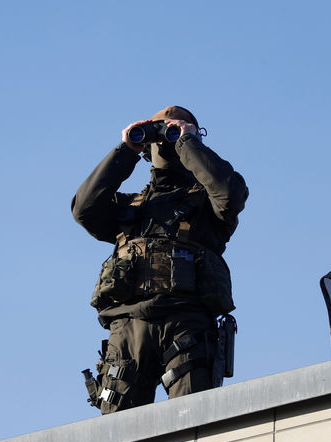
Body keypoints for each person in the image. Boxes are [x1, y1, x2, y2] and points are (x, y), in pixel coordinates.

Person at [72, 106, 248, 414]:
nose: (167, 138)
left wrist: (188, 142)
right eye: (161, 131)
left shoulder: (209, 203)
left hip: (186, 323)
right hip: (127, 326)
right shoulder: (129, 207)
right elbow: (84, 209)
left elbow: (229, 194)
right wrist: (125, 150)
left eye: (176, 130)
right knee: (117, 433)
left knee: (193, 420)